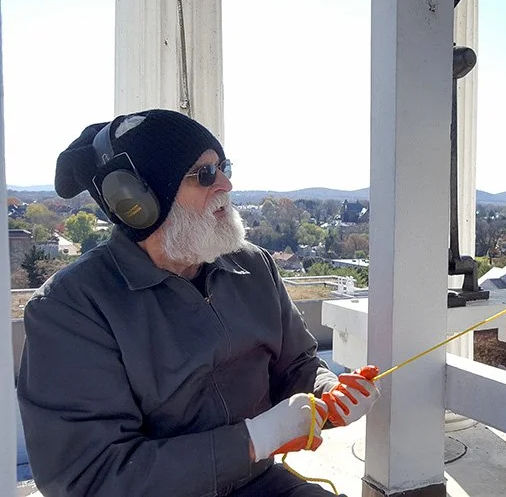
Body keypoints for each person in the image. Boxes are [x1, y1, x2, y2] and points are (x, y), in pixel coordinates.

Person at [16, 109, 380, 496]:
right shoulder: (71, 309)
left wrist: (330, 392)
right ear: (138, 200)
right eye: (205, 174)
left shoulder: (253, 266)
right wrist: (252, 441)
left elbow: (298, 364)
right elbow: (90, 479)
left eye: (224, 167)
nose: (226, 183)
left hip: (258, 483)